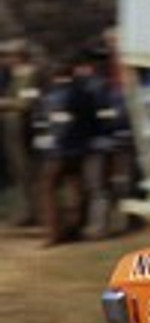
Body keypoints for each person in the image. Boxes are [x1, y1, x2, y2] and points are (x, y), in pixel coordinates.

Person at [34, 58, 98, 245]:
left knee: (47, 188)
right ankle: (75, 227)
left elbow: (58, 124)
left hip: (60, 149)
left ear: (55, 75)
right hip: (81, 147)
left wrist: (48, 144)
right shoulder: (85, 93)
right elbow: (91, 121)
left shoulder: (57, 96)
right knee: (76, 186)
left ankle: (53, 232)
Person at [0, 41, 41, 227]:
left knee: (25, 170)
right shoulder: (14, 76)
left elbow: (27, 103)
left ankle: (31, 211)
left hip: (22, 128)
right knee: (17, 171)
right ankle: (24, 211)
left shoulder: (32, 75)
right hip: (10, 127)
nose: (6, 60)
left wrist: (5, 103)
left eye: (9, 56)